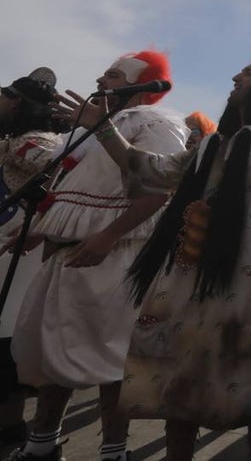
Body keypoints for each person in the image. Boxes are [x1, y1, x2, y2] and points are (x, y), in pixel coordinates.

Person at [62, 58, 251, 460]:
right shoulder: (211, 145)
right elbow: (149, 170)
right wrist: (103, 127)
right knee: (177, 386)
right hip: (189, 283)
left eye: (249, 73)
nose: (235, 77)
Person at [8, 52, 186, 461]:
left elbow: (157, 191)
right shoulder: (87, 130)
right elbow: (72, 189)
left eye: (113, 74)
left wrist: (108, 236)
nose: (101, 79)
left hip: (114, 257)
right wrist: (36, 230)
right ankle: (41, 445)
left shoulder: (156, 124)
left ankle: (114, 452)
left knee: (110, 359)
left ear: (141, 85)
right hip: (67, 257)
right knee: (51, 349)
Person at [0, 72, 66, 451]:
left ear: (20, 103)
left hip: (19, 253)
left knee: (8, 342)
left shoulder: (35, 145)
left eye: (7, 95)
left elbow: (62, 177)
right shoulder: (14, 142)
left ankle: (12, 433)